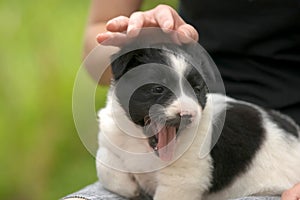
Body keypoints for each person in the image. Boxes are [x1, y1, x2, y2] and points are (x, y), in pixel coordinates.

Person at [81, 1, 300, 199]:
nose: (184, 110)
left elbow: (184, 181)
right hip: (197, 76)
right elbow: (98, 31)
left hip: (276, 181)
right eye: (159, 89)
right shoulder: (117, 121)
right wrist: (131, 40)